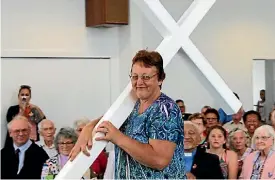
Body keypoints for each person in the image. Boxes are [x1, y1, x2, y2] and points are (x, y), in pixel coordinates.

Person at [69, 50, 186, 179]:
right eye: (135, 77)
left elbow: (159, 160)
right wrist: (89, 127)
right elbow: (107, 121)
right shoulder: (132, 105)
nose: (139, 82)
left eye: (146, 77)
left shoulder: (166, 110)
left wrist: (118, 137)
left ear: (160, 79)